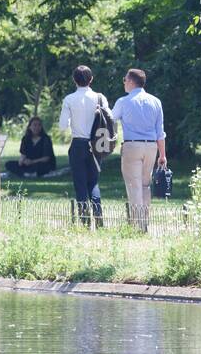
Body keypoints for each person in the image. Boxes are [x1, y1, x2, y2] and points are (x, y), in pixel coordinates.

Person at [112, 68, 166, 231]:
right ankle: (144, 221)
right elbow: (160, 132)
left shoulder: (123, 101)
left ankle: (138, 225)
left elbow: (110, 118)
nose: (124, 83)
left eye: (124, 80)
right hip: (151, 146)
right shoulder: (156, 101)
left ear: (130, 81)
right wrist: (162, 154)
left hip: (132, 145)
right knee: (145, 185)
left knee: (133, 185)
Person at [59, 65, 108, 224]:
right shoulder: (100, 97)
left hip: (78, 143)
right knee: (93, 181)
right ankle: (98, 216)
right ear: (91, 79)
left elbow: (62, 125)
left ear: (74, 80)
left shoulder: (69, 99)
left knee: (80, 182)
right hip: (96, 144)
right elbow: (110, 118)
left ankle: (84, 219)